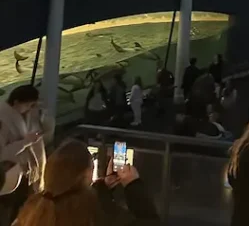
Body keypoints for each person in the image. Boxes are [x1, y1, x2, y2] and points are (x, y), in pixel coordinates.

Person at [15, 138, 158, 226]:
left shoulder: (32, 208)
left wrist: (102, 187)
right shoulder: (92, 211)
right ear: (86, 174)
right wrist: (132, 184)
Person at [0, 85, 44, 221]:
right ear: (17, 102)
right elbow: (2, 153)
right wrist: (26, 142)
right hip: (8, 177)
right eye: (28, 105)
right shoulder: (4, 120)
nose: (29, 110)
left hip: (18, 176)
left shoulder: (17, 117)